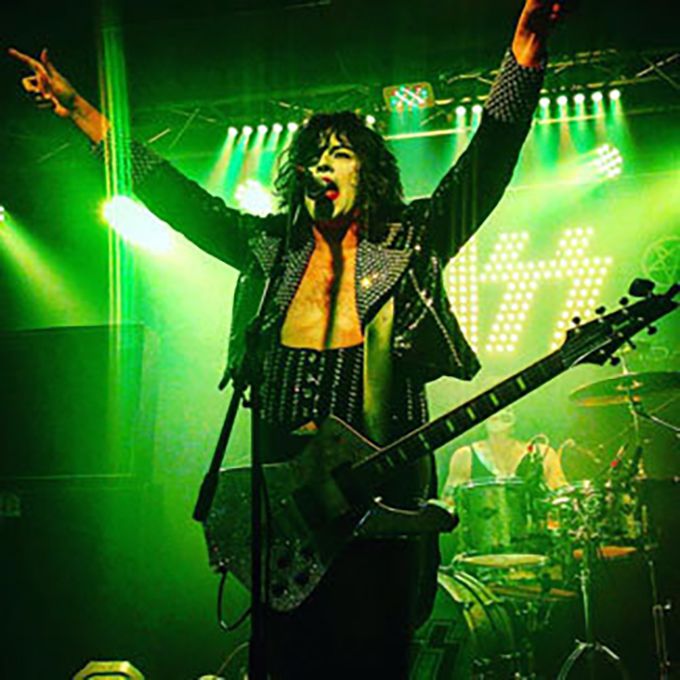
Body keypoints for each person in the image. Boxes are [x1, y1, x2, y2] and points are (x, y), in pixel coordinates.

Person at [9, 2, 571, 677]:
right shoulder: (270, 252)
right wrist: (81, 113)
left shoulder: (411, 242)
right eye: (312, 157)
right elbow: (176, 199)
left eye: (339, 155)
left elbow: (488, 162)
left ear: (369, 173)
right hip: (285, 521)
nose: (321, 165)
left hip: (381, 511)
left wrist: (524, 57)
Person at [442, 406, 568, 500]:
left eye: (507, 410)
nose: (498, 413)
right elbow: (450, 500)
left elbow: (561, 493)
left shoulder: (542, 452)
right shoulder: (465, 456)